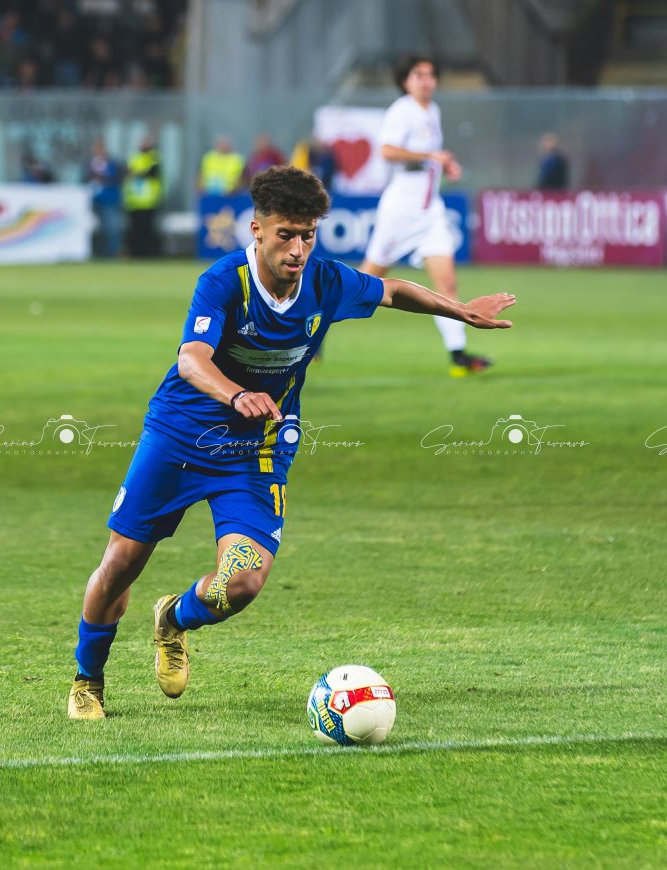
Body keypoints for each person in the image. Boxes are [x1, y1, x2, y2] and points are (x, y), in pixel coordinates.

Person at [67, 165, 516, 719]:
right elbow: (191, 360)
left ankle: (173, 618)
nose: (298, 249)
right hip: (180, 437)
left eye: (308, 235)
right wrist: (236, 395)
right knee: (121, 563)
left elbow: (394, 290)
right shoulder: (224, 282)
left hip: (255, 451)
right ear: (257, 230)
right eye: (286, 235)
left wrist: (461, 311)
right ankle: (88, 680)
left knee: (242, 583)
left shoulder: (326, 282)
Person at [359, 55, 491, 378]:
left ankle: (458, 355)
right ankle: (314, 330)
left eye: (430, 74)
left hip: (430, 211)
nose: (426, 80)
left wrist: (445, 165)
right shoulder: (402, 111)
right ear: (406, 81)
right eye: (419, 74)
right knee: (364, 284)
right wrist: (431, 155)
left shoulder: (432, 111)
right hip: (401, 212)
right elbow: (387, 151)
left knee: (447, 284)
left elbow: (429, 160)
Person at [123, 136, 162, 258]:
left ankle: (148, 254)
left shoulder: (154, 157)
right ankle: (136, 254)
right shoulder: (135, 157)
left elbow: (152, 173)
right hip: (134, 201)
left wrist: (137, 173)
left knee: (148, 230)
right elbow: (128, 174)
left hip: (149, 201)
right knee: (135, 230)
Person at [84, 139, 123, 258]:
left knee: (111, 228)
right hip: (94, 200)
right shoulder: (90, 164)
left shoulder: (112, 164)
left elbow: (117, 179)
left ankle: (113, 254)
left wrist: (103, 178)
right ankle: (101, 253)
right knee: (99, 229)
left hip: (109, 200)